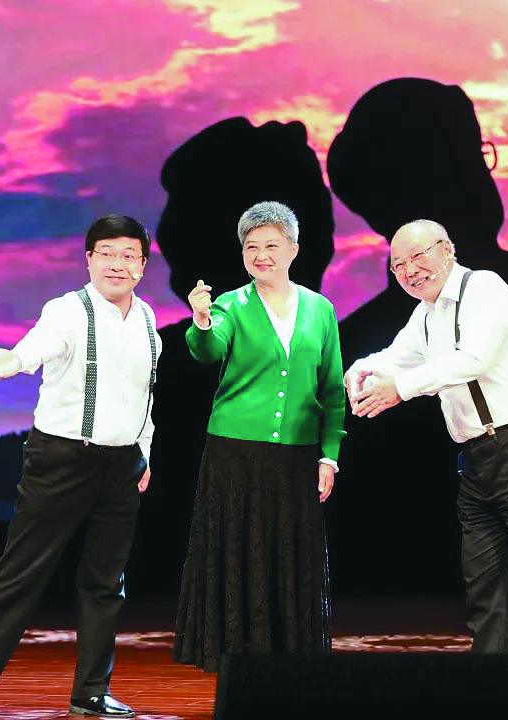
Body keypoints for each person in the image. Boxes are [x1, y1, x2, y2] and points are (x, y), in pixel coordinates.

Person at [345, 219, 508, 719]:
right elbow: (397, 357)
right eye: (398, 265)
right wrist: (362, 369)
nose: (410, 270)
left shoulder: (486, 289)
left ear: (448, 250)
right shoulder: (426, 313)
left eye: (419, 256)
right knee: (485, 588)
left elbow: (472, 359)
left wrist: (400, 390)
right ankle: (492, 696)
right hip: (476, 459)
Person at [0, 214, 162, 719]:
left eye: (129, 255)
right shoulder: (67, 310)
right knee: (21, 573)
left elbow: (145, 394)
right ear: (89, 259)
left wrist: (145, 453)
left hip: (123, 465)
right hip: (63, 459)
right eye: (106, 253)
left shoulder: (148, 318)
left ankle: (91, 692)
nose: (117, 263)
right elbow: (40, 344)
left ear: (142, 265)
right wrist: (15, 360)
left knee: (105, 583)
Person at [174, 201, 345, 672]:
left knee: (291, 554)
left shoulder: (320, 309)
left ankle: (288, 658)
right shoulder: (230, 305)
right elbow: (208, 349)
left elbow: (332, 389)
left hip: (298, 455)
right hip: (235, 452)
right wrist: (201, 319)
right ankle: (234, 657)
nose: (261, 255)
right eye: (251, 247)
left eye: (271, 245)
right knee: (236, 552)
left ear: (293, 249)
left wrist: (329, 455)